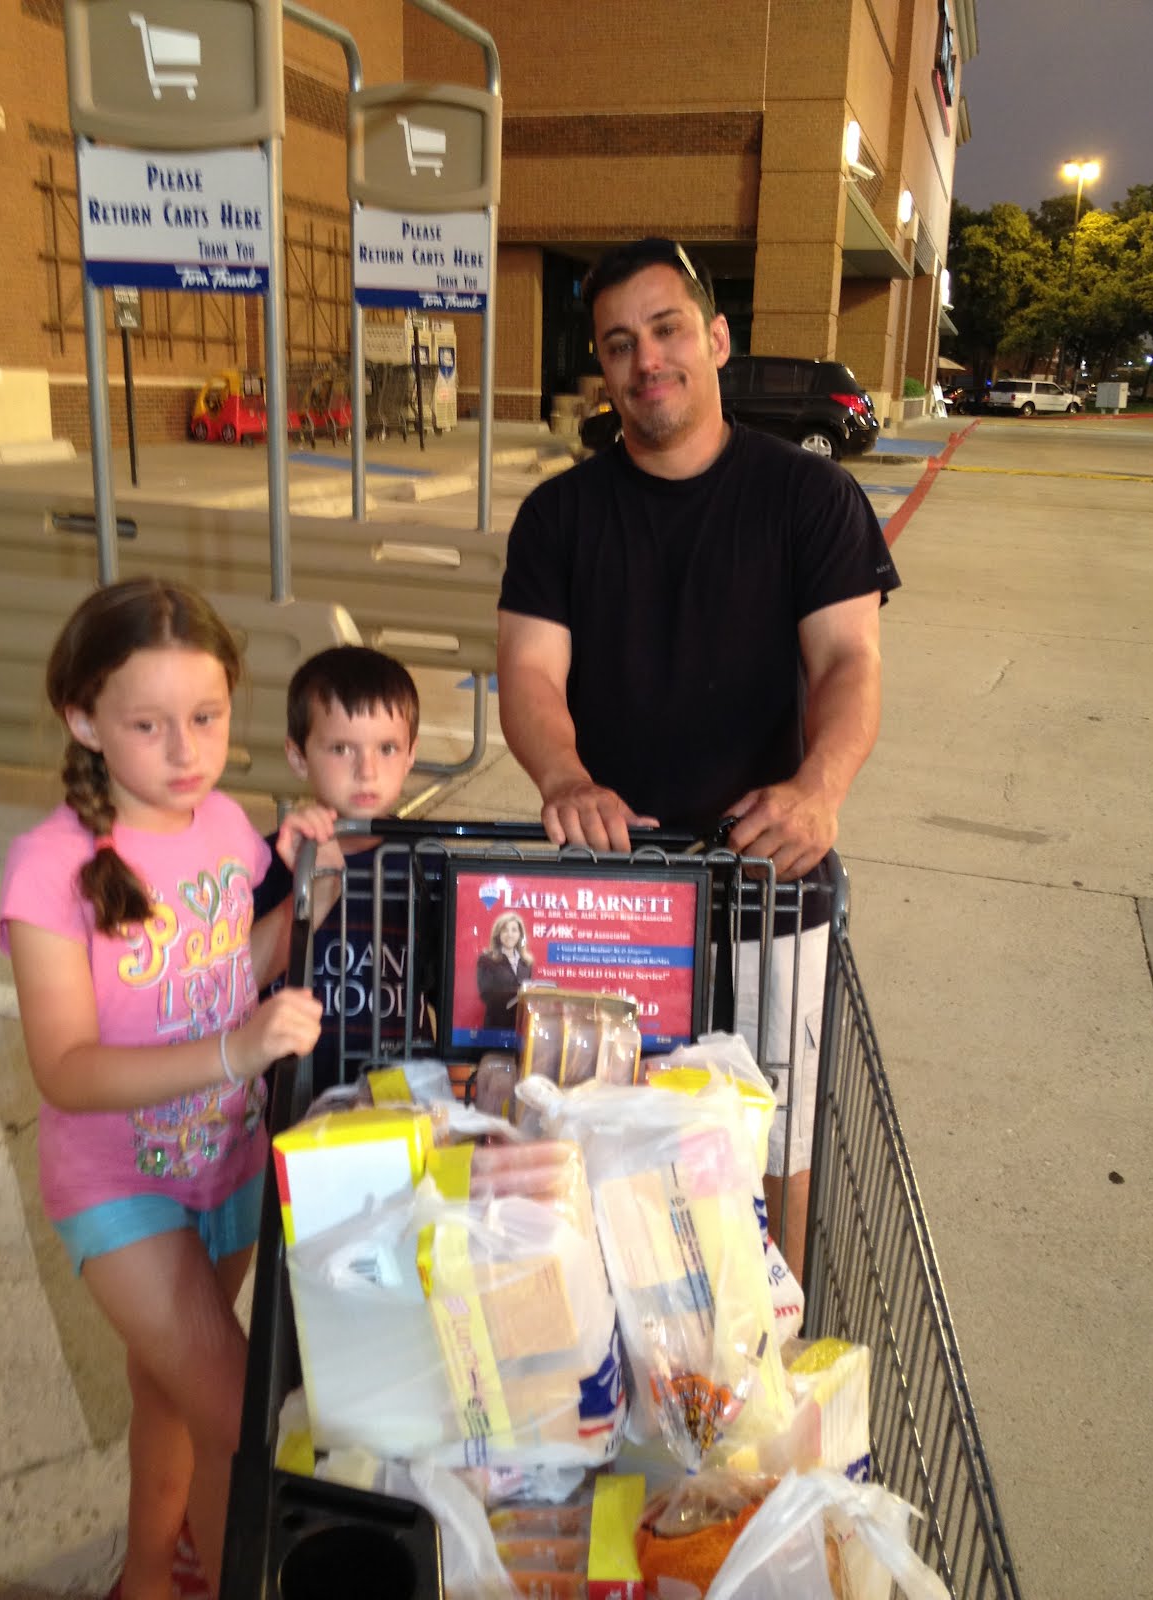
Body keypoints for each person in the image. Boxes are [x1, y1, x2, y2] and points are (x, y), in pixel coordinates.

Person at [496, 236, 900, 1276]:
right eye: (620, 343)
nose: (647, 360)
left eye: (667, 329)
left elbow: (850, 659)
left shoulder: (808, 500)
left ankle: (774, 1326)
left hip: (770, 880)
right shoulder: (560, 517)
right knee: (608, 1141)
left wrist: (821, 788)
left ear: (717, 338)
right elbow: (531, 677)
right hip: (615, 898)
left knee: (777, 1144)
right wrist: (563, 778)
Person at [0, 578, 341, 1600]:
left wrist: (309, 888)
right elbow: (64, 1066)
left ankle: (150, 1574)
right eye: (149, 724)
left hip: (222, 1159)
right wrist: (233, 1054)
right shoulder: (50, 866)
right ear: (83, 717)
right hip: (121, 1186)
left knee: (169, 1385)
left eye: (207, 716)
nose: (186, 749)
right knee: (242, 1411)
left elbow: (239, 959)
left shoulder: (226, 825)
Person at [253, 645, 432, 1094]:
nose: (367, 771)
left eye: (387, 748)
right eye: (340, 749)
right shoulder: (267, 860)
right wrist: (309, 888)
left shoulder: (428, 861)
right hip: (287, 1092)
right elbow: (235, 980)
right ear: (298, 757)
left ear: (412, 753)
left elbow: (451, 986)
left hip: (396, 1093)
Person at [476, 911, 535, 1031]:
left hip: (520, 1026)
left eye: (514, 930)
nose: (510, 934)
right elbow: (486, 994)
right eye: (505, 930)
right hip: (496, 1024)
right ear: (498, 934)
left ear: (520, 934)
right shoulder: (486, 959)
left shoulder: (526, 963)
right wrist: (519, 993)